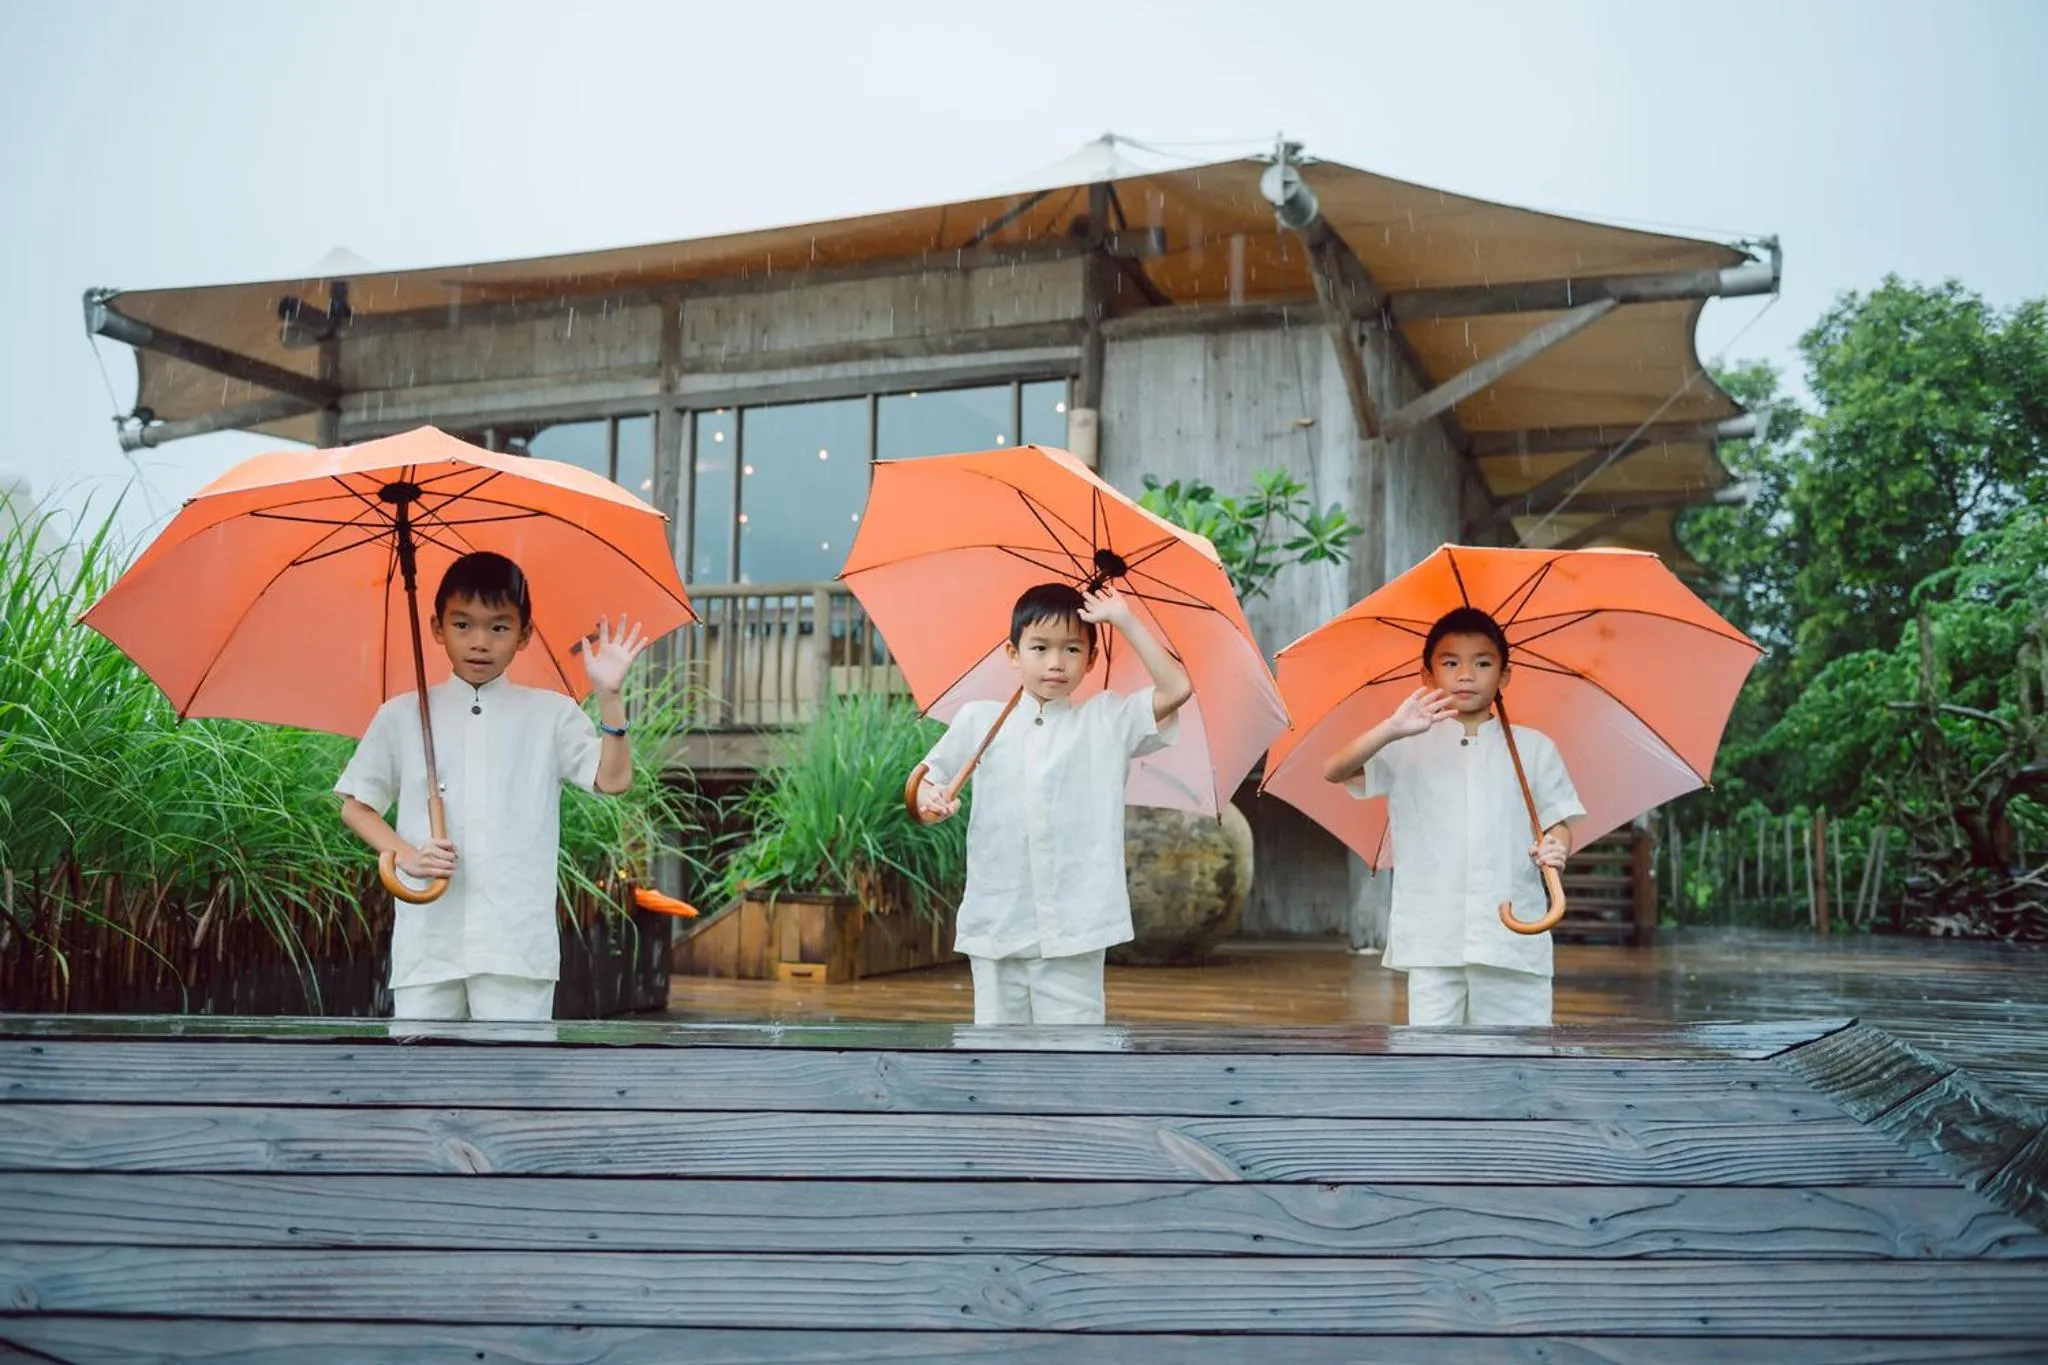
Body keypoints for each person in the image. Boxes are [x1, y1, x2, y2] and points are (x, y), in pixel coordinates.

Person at [336, 551, 649, 1022]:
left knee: (513, 1088)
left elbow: (613, 780)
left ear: (524, 635)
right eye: (462, 625)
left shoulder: (551, 714)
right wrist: (406, 854)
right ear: (437, 628)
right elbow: (356, 806)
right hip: (429, 940)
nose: (479, 642)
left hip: (515, 943)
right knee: (421, 1085)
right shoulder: (403, 714)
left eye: (499, 627)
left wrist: (609, 697)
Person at [914, 582, 1192, 1025]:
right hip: (997, 923)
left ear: (1092, 659)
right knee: (993, 1060)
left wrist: (1123, 619)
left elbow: (1177, 687)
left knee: (1072, 1063)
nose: (1056, 663)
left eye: (1072, 650)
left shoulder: (1106, 719)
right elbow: (928, 781)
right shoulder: (980, 721)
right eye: (1039, 648)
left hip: (1075, 929)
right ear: (1013, 653)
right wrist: (931, 799)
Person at [1321, 606, 1583, 1026]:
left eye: (1482, 663)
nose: (1466, 675)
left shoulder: (1533, 748)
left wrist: (1557, 847)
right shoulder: (1406, 743)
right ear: (1427, 676)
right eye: (1450, 663)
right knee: (1434, 1064)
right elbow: (1334, 770)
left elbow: (1559, 821)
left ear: (1504, 676)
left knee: (1519, 1062)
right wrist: (1392, 727)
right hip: (1432, 935)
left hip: (1513, 937)